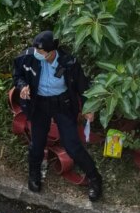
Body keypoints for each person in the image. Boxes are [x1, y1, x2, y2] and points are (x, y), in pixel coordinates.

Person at [13, 30, 103, 201]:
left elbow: (82, 86)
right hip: (38, 104)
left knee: (72, 146)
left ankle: (94, 177)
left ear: (52, 51)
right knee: (37, 143)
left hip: (62, 104)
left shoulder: (68, 63)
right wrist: (22, 85)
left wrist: (89, 107)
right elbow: (17, 75)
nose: (38, 54)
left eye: (42, 52)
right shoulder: (27, 58)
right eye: (36, 50)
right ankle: (34, 174)